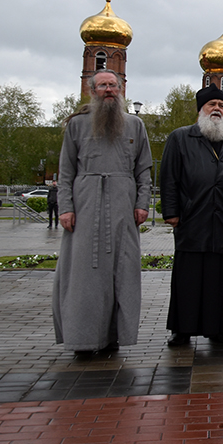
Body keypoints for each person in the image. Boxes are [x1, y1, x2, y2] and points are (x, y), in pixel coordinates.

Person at [53, 70, 152, 354]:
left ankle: (114, 337)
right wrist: (66, 208)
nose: (108, 90)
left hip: (123, 209)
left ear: (121, 90)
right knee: (84, 278)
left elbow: (143, 170)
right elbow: (66, 171)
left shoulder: (135, 125)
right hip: (85, 209)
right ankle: (82, 340)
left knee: (122, 275)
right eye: (102, 86)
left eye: (113, 85)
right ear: (92, 90)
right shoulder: (77, 125)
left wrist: (142, 203)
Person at [160, 84, 223, 346]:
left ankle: (220, 328)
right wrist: (171, 213)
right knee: (188, 278)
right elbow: (168, 179)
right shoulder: (180, 138)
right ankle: (183, 329)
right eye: (211, 105)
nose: (217, 109)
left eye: (221, 105)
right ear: (201, 110)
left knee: (222, 279)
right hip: (191, 219)